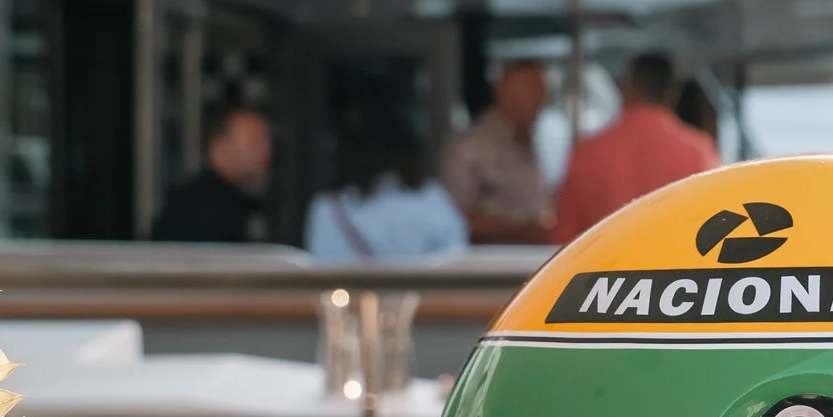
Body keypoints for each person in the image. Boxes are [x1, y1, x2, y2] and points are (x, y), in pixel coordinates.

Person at [549, 52, 719, 244]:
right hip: (674, 270)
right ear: (672, 95)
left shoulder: (587, 153)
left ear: (626, 88)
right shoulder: (698, 152)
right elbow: (711, 229)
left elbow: (564, 240)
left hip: (603, 270)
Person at [305, 121, 467, 261]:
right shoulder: (433, 201)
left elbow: (322, 271)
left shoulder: (327, 208)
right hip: (423, 297)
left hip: (346, 296)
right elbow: (455, 265)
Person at [441, 58, 554, 243]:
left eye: (542, 93)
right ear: (503, 92)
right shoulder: (471, 149)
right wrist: (521, 232)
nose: (540, 102)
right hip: (489, 264)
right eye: (531, 91)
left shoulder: (533, 144)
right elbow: (454, 218)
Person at [151, 106, 274, 243]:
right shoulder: (202, 209)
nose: (267, 151)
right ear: (218, 146)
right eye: (254, 142)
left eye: (267, 141)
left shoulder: (234, 201)